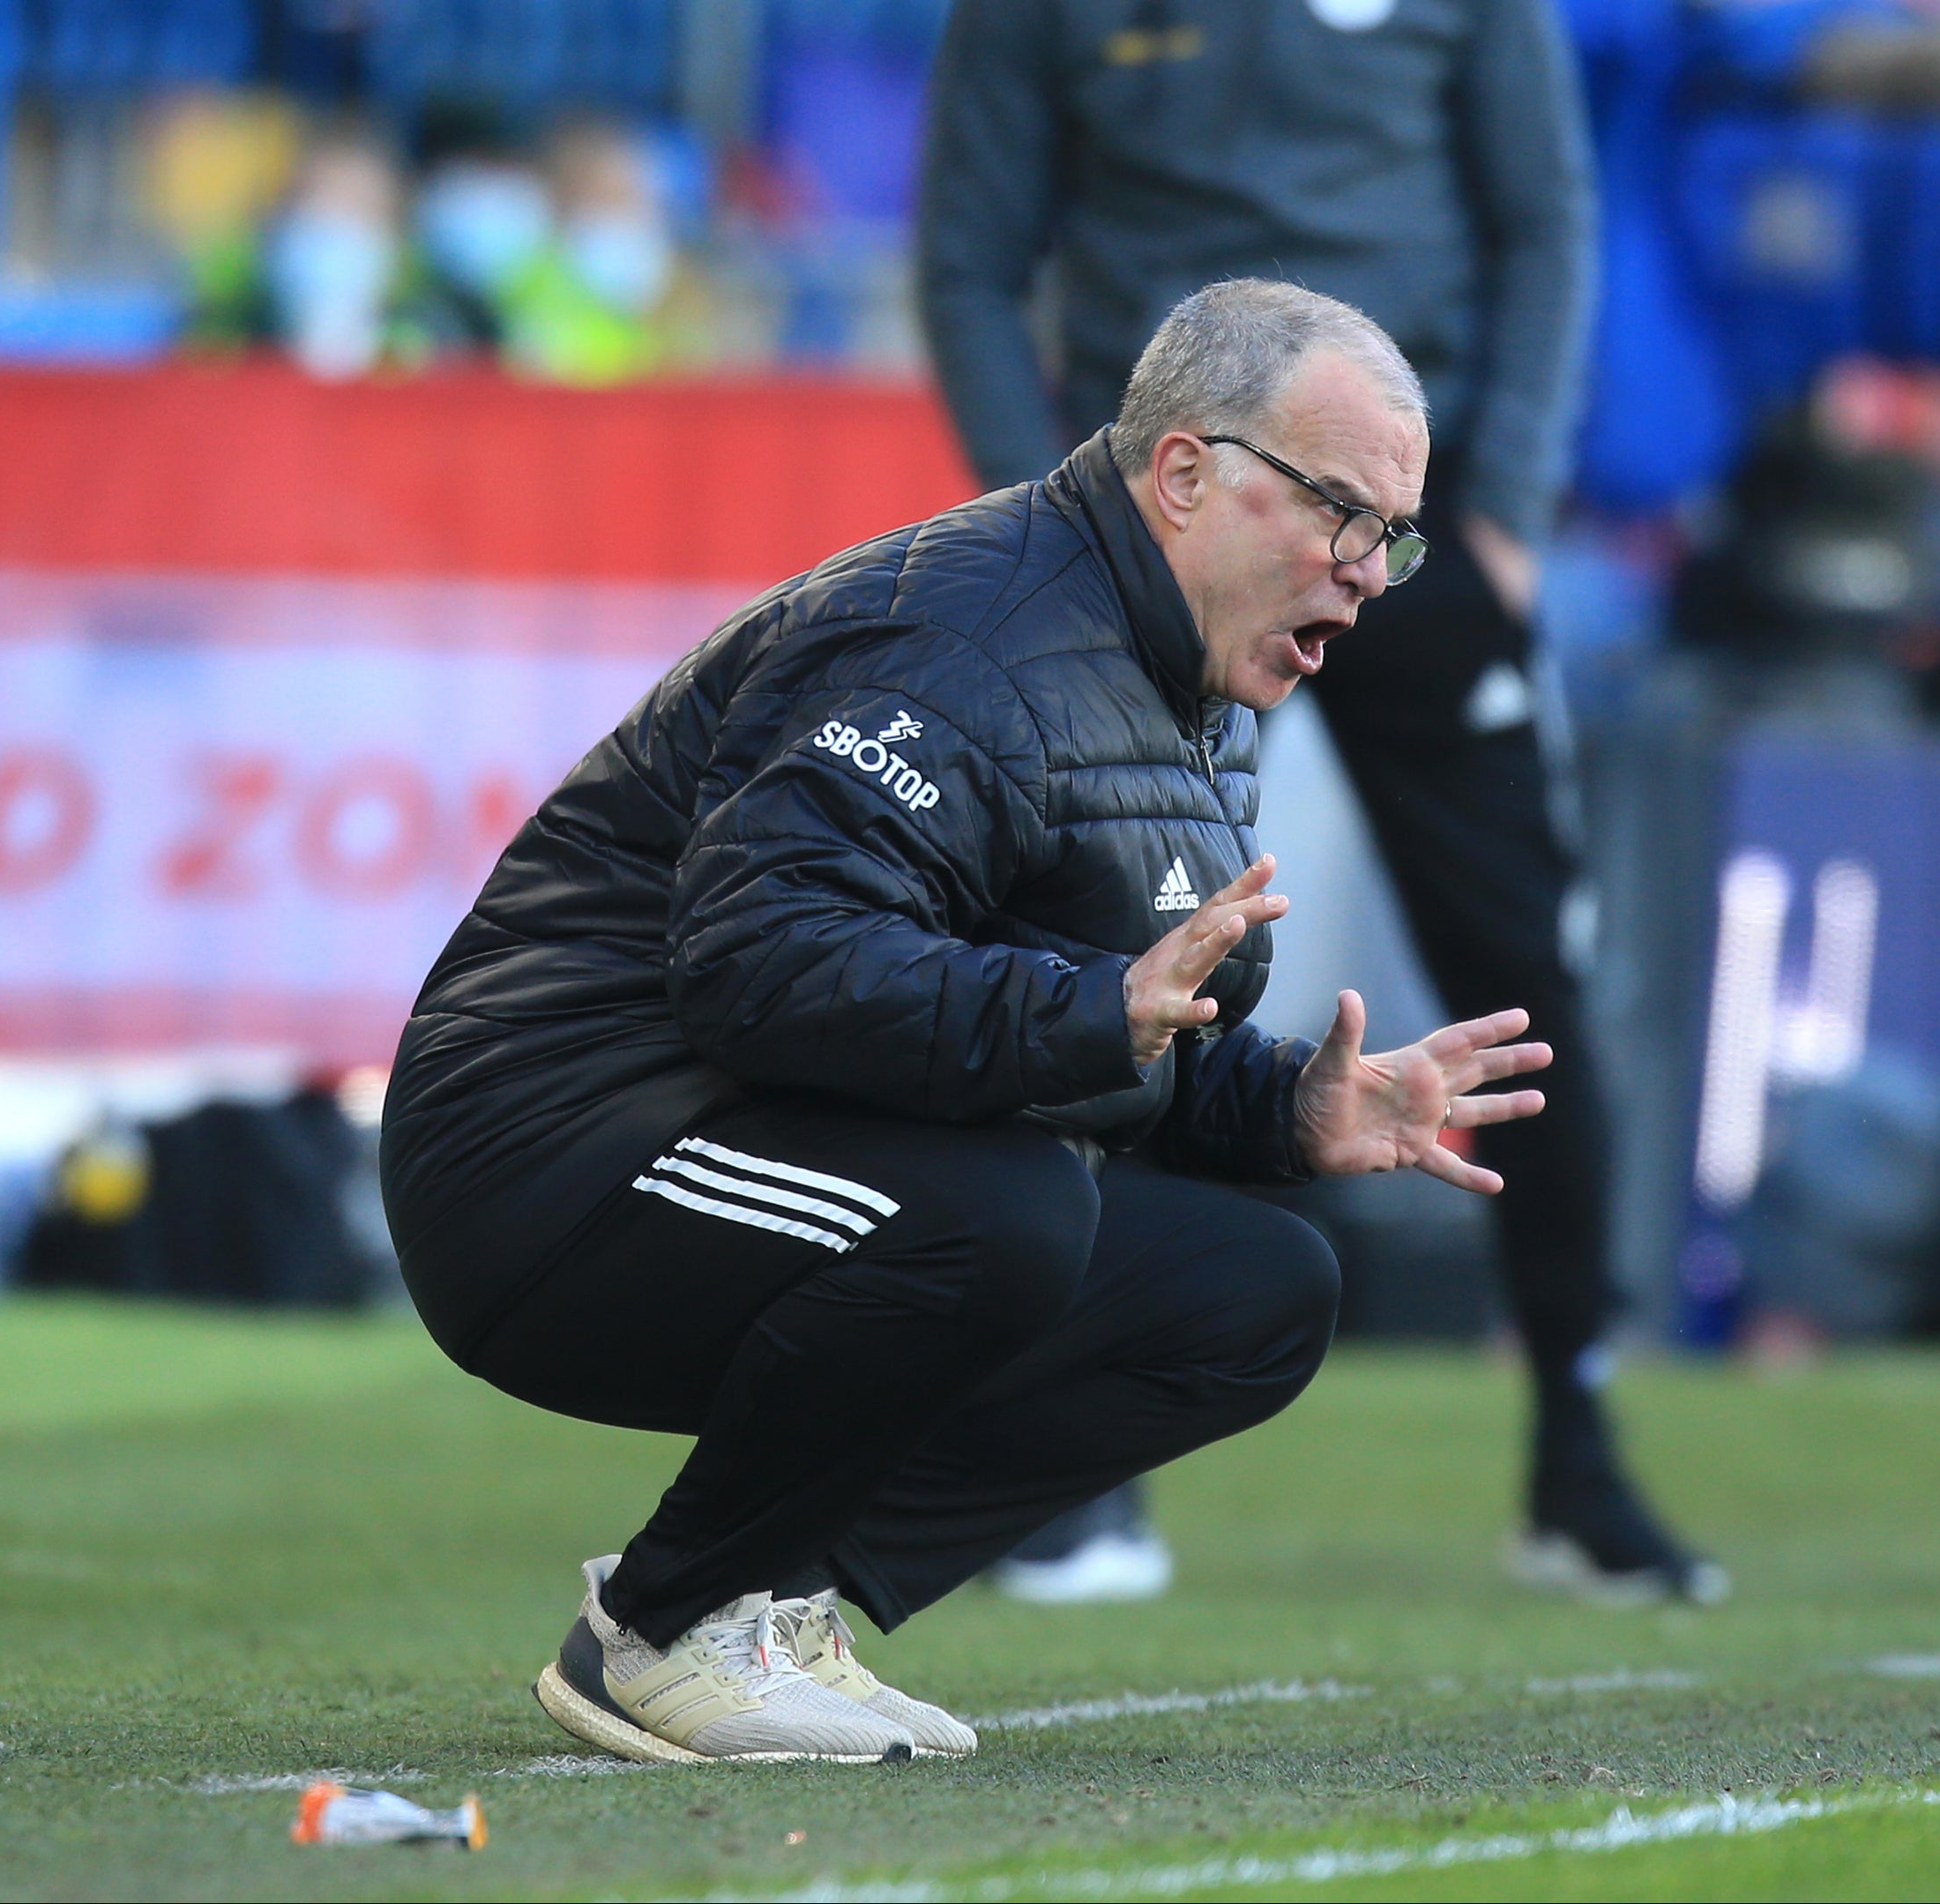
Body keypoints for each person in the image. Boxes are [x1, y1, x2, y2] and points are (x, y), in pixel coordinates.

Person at [380, 281, 1554, 1766]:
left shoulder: (1177, 674)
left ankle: (771, 1607)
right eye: (1339, 512)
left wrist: (1280, 1110)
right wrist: (1092, 1011)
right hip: (542, 1158)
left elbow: (1087, 1043)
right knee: (1003, 1211)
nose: (1368, 572)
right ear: (1184, 474)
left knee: (1249, 1291)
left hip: (744, 1133)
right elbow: (759, 964)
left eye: (1393, 534)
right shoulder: (964, 636)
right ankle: (673, 1624)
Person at [918, 0, 1725, 1605]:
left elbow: (1547, 220)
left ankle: (1576, 1448)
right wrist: (1059, 541)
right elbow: (965, 260)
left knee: (1528, 982)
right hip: (1168, 556)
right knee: (1124, 980)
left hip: (1415, 547)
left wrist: (1495, 509)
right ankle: (1082, 1472)